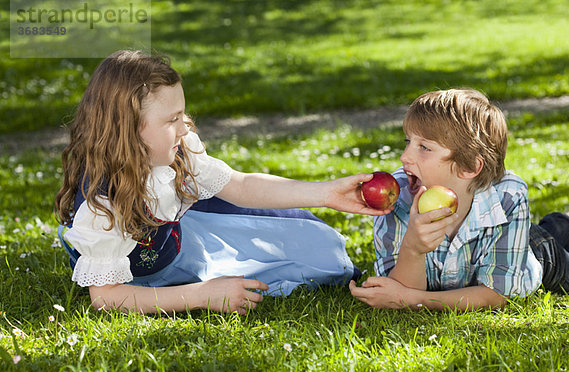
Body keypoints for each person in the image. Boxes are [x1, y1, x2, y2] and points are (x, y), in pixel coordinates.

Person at [55, 49, 388, 315]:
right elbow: (106, 297)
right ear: (127, 128)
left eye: (182, 114)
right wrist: (202, 295)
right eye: (171, 120)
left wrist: (327, 193)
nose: (184, 128)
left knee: (319, 250)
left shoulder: (177, 151)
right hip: (137, 276)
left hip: (183, 243)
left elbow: (241, 186)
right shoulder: (101, 205)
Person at [350, 89, 569, 311]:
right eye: (408, 142)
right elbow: (395, 291)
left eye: (424, 147)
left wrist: (413, 299)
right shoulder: (396, 198)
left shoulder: (507, 196)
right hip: (510, 240)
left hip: (534, 257)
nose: (404, 157)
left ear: (469, 167)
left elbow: (496, 295)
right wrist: (413, 249)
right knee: (546, 232)